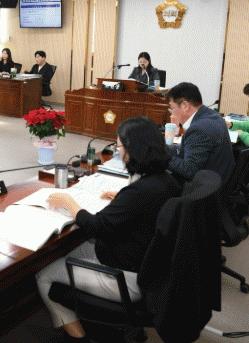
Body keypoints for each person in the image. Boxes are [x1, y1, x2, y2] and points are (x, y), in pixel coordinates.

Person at [36, 117, 182, 342]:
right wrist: (123, 201)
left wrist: (69, 202)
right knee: (68, 252)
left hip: (127, 279)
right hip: (149, 269)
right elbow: (143, 210)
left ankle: (79, 338)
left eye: (119, 146)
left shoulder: (138, 192)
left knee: (43, 275)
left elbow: (98, 227)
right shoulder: (167, 181)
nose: (117, 151)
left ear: (133, 150)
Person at [166, 82, 235, 184]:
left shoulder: (198, 129)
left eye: (172, 108)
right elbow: (186, 149)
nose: (172, 113)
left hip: (207, 186)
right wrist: (163, 148)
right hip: (218, 176)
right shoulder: (212, 115)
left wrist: (162, 156)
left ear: (185, 106)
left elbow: (189, 171)